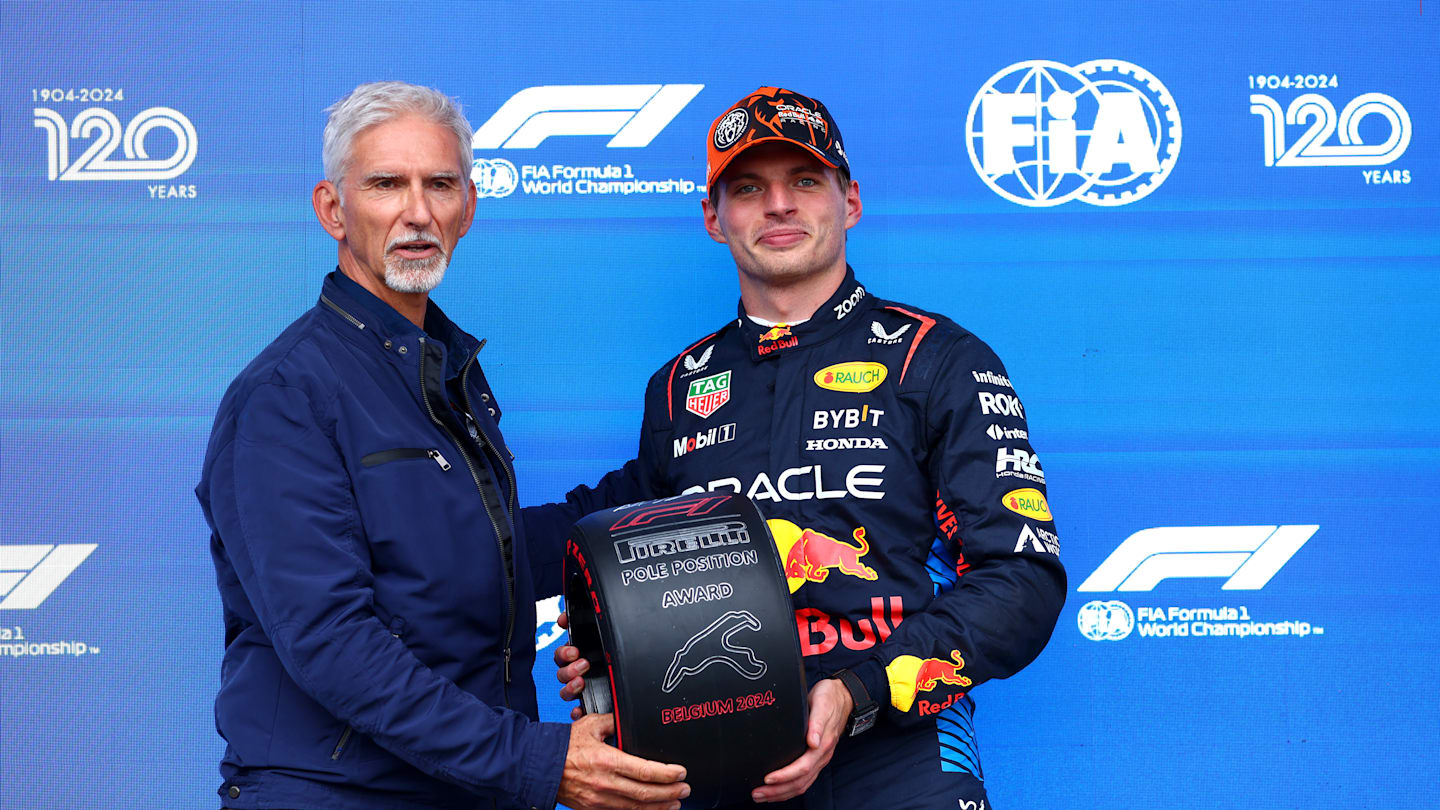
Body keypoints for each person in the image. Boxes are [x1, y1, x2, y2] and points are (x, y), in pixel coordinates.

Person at [536, 87, 1067, 808]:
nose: (778, 205)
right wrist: (604, 652)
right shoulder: (677, 389)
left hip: (896, 753)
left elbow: (1022, 579)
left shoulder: (937, 360)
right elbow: (618, 544)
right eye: (748, 188)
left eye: (805, 181)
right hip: (715, 760)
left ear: (849, 201)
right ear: (713, 219)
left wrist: (859, 692)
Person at [195, 81, 689, 810]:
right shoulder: (286, 394)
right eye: (387, 184)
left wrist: (672, 477)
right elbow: (332, 641)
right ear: (333, 209)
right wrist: (536, 760)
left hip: (463, 786)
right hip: (339, 792)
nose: (417, 212)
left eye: (440, 185)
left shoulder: (442, 369)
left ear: (469, 210)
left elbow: (479, 550)